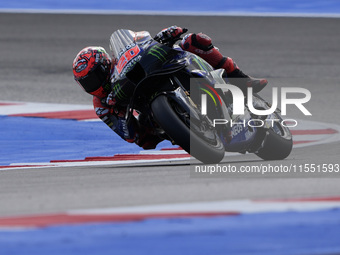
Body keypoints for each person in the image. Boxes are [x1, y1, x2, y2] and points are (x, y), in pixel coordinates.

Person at [72, 26, 268, 149]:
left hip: (161, 70)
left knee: (194, 40)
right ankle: (185, 124)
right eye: (87, 83)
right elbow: (129, 136)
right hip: (149, 116)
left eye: (95, 76)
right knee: (144, 141)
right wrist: (121, 114)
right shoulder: (101, 104)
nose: (94, 85)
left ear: (106, 63)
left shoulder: (121, 61)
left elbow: (143, 42)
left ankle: (239, 78)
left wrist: (164, 36)